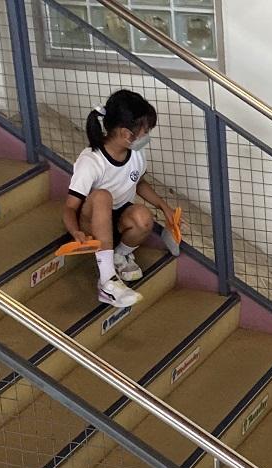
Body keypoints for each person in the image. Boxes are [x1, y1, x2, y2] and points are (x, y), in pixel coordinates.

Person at [62, 89, 178, 307]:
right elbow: (70, 207)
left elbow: (139, 182)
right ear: (126, 133)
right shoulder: (91, 161)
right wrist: (75, 231)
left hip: (118, 218)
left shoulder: (136, 153)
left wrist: (164, 207)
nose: (147, 136)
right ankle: (107, 281)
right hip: (90, 222)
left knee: (143, 217)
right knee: (102, 196)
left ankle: (119, 255)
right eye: (145, 131)